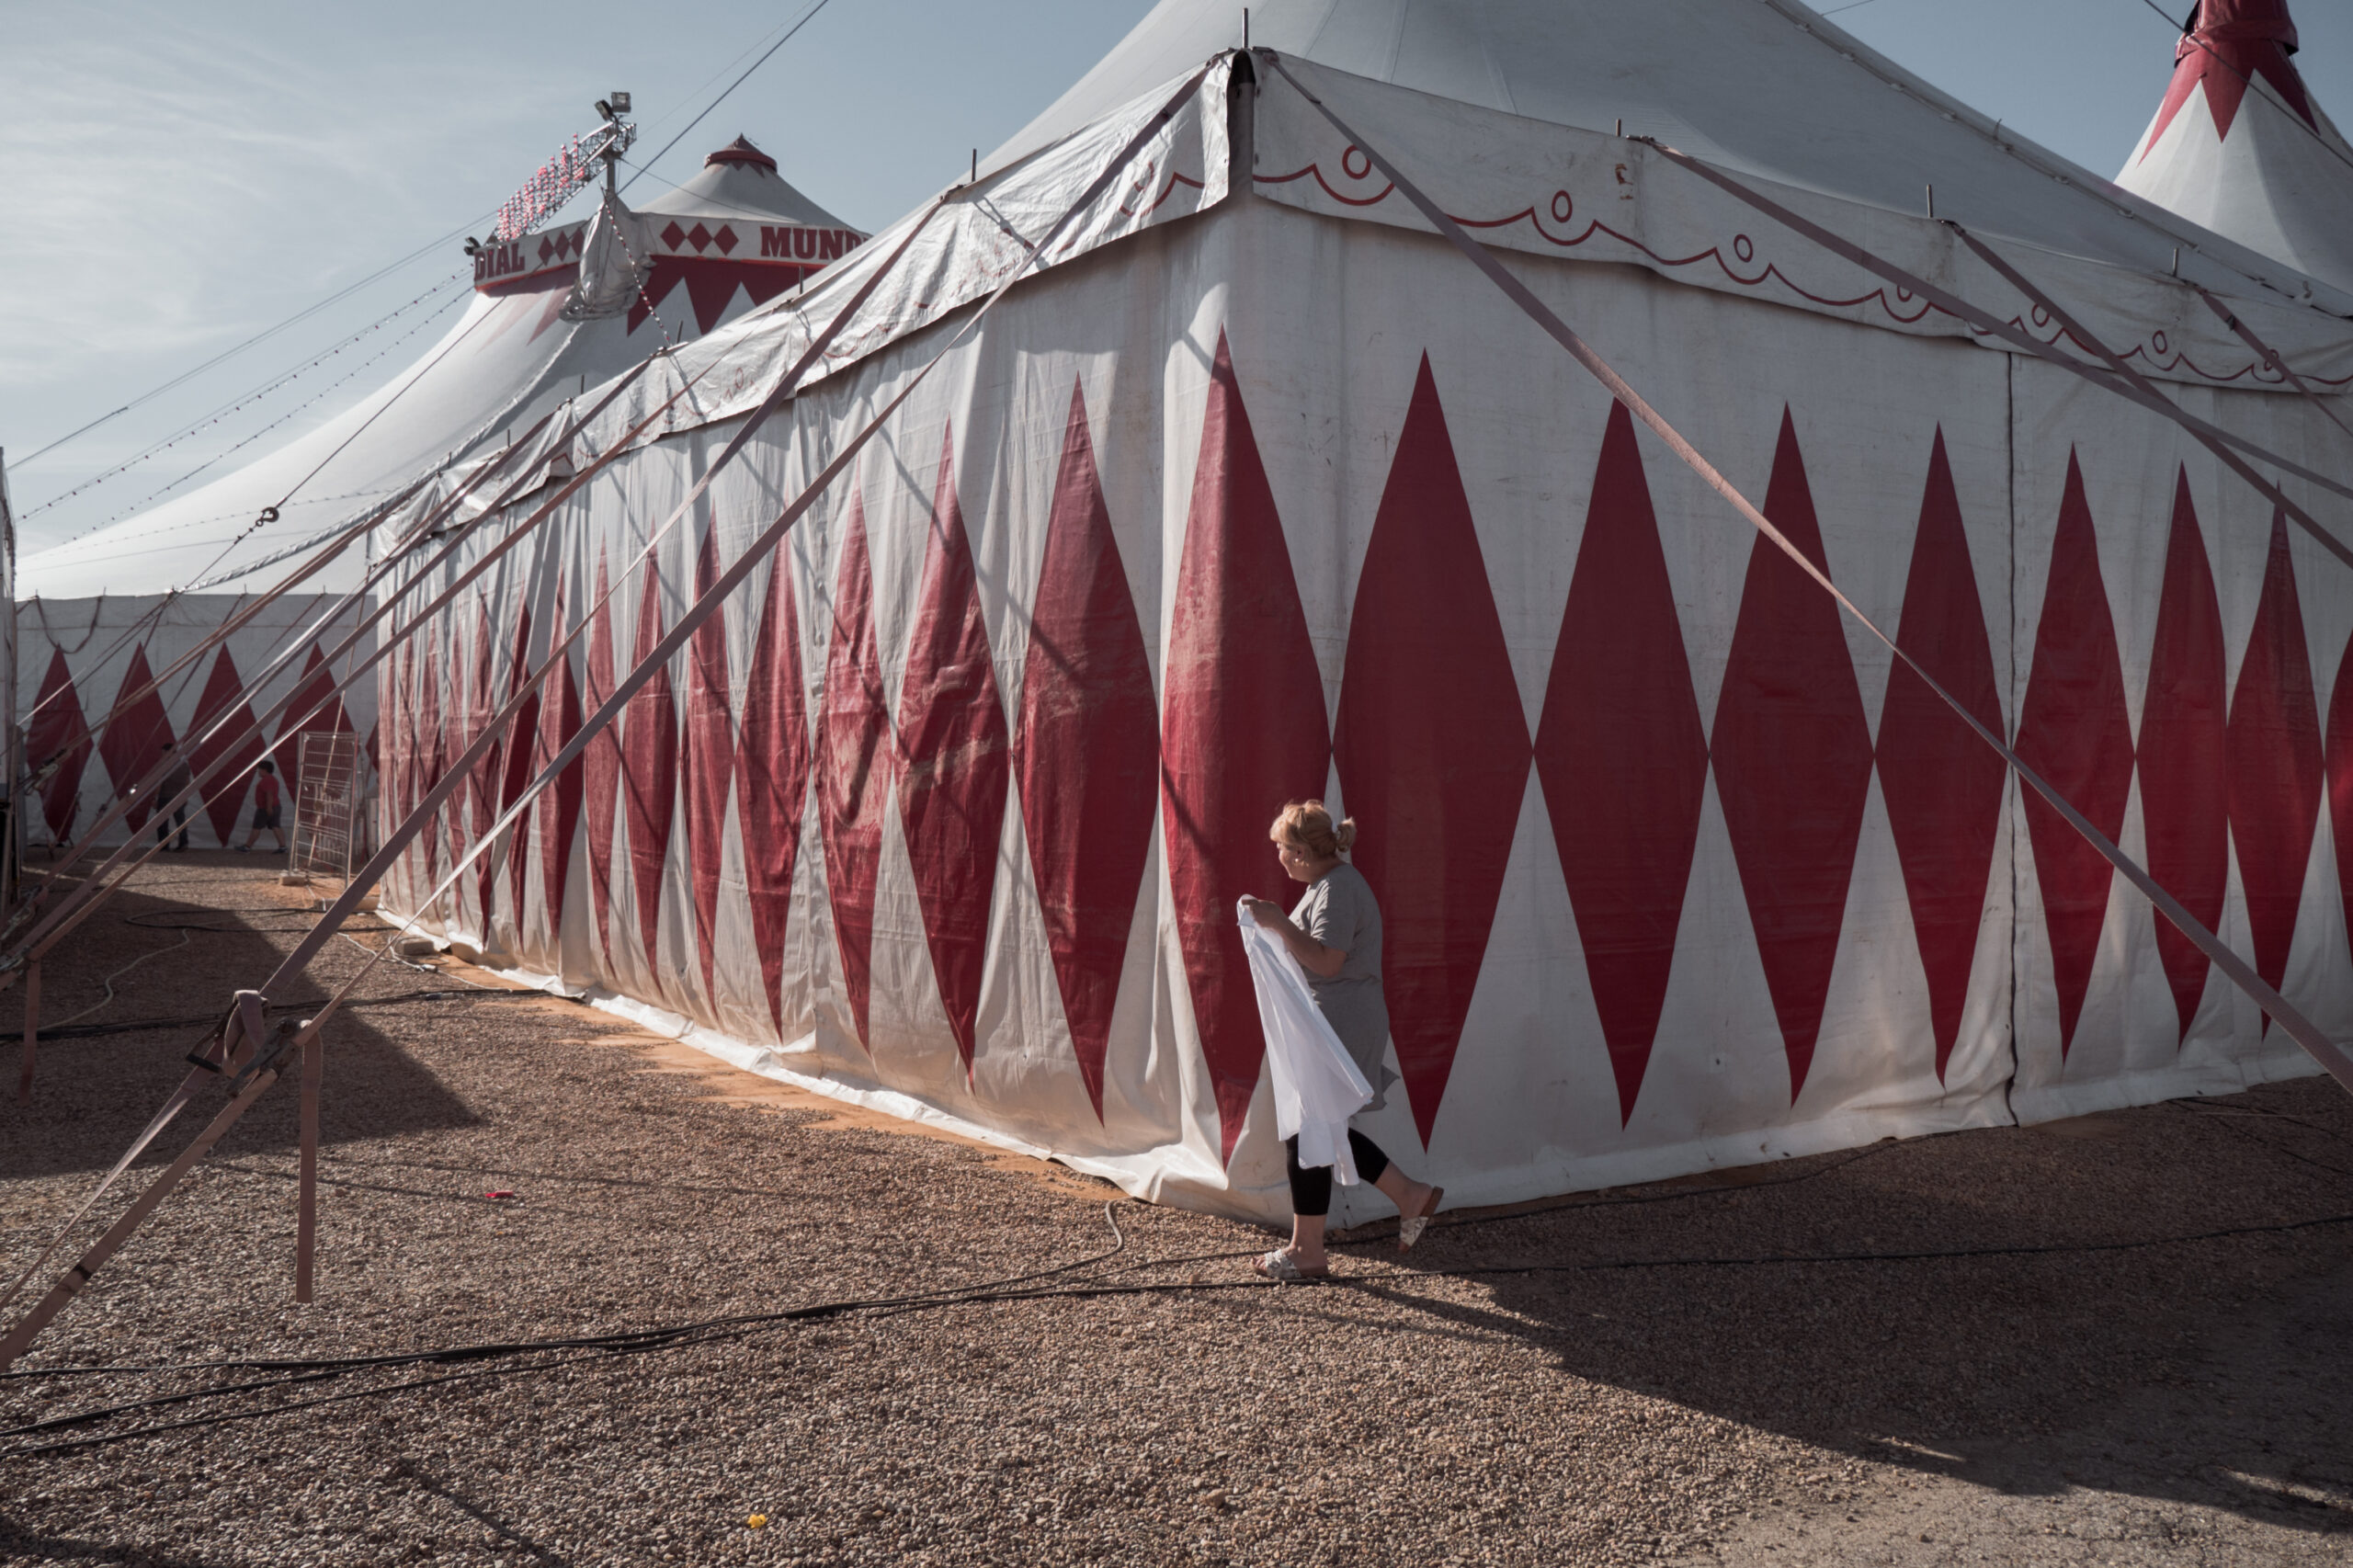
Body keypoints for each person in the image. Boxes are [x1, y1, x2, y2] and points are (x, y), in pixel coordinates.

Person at [1242, 800, 1442, 1282]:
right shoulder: (1329, 886)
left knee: (1310, 1129)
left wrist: (1276, 920)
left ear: (1304, 850)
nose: (1279, 858)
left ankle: (1309, 1250)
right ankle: (1407, 1196)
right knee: (1316, 1129)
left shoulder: (1336, 890)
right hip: (1337, 1017)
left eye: (1283, 849)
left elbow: (1329, 962)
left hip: (1342, 1018)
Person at [237, 760, 287, 854]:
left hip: (265, 808)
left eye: (259, 769)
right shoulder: (273, 779)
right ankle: (283, 846)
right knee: (276, 826)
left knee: (256, 827)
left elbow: (269, 794)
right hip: (275, 806)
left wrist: (268, 807)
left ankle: (247, 847)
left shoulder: (266, 780)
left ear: (265, 770)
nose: (258, 772)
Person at [152, 741, 192, 853]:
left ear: (167, 752)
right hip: (180, 796)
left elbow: (159, 784)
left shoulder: (165, 766)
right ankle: (184, 843)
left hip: (165, 796)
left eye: (163, 753)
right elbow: (188, 782)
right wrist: (185, 796)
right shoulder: (184, 765)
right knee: (180, 821)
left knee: (162, 821)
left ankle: (164, 846)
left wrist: (154, 798)